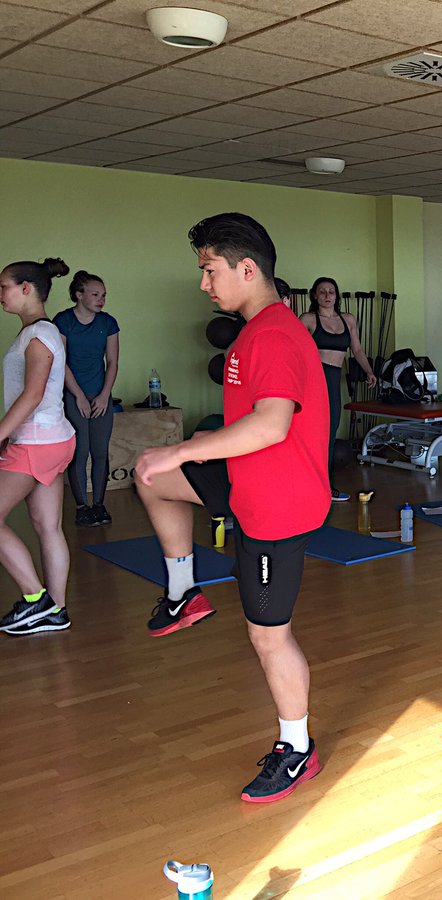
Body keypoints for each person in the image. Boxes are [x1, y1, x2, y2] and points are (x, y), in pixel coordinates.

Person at [134, 213, 329, 802]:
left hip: (277, 506)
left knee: (269, 638)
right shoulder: (258, 329)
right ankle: (183, 591)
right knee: (153, 476)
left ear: (247, 269)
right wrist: (174, 458)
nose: (203, 284)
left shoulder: (271, 335)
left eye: (209, 270)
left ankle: (297, 749)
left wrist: (184, 446)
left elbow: (270, 426)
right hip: (247, 485)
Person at [0, 258, 76, 636]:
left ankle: (36, 600)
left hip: (36, 442)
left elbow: (31, 396)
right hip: (51, 439)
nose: (1, 294)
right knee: (48, 527)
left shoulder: (39, 335)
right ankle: (56, 611)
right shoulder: (38, 332)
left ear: (26, 288)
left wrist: (0, 435)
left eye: (4, 287)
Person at [299, 277, 376, 502]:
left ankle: (325, 484)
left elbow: (358, 350)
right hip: (314, 379)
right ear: (314, 295)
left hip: (334, 379)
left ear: (336, 295)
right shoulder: (308, 319)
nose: (327, 296)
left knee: (331, 431)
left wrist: (369, 372)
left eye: (331, 292)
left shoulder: (348, 319)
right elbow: (294, 348)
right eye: (322, 292)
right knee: (313, 432)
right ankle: (311, 483)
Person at [53, 270, 119, 527]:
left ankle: (99, 505)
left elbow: (112, 362)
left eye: (103, 295)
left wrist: (104, 396)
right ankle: (82, 506)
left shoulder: (108, 323)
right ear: (78, 295)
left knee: (100, 451)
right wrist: (78, 395)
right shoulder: (63, 321)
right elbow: (61, 362)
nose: (101, 299)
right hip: (73, 394)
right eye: (95, 294)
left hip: (100, 395)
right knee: (80, 451)